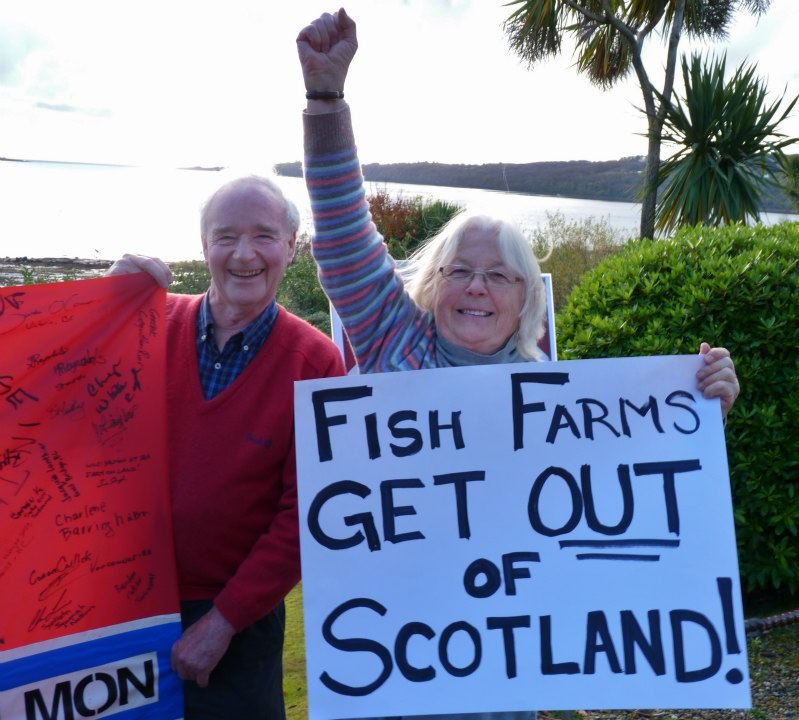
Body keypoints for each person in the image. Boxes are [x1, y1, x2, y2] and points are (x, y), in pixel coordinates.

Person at [296, 9, 740, 720]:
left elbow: (628, 520)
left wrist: (701, 407)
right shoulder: (390, 340)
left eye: (499, 277)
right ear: (433, 282)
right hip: (391, 667)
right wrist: (326, 101)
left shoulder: (556, 396)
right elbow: (344, 226)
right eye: (461, 271)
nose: (477, 287)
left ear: (528, 297)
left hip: (498, 679)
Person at [107, 175, 346, 719]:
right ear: (203, 247)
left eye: (264, 236)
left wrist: (223, 622)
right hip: (122, 605)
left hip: (237, 624)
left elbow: (304, 515)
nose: (244, 255)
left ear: (291, 246)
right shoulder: (146, 327)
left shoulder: (316, 362)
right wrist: (99, 308)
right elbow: (61, 401)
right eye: (225, 237)